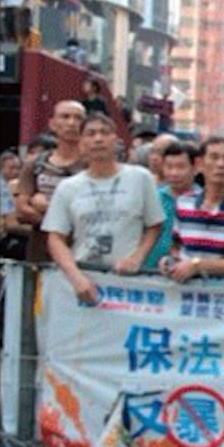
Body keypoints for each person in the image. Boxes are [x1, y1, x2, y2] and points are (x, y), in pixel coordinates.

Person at [42, 113, 164, 304]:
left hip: (127, 281)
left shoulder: (141, 178)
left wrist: (137, 258)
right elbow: (55, 237)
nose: (98, 139)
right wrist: (75, 276)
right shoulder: (68, 187)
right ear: (81, 142)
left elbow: (154, 225)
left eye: (104, 133)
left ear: (115, 139)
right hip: (84, 279)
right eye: (91, 134)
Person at [160, 136, 224, 282]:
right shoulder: (184, 203)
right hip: (183, 293)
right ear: (200, 164)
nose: (221, 164)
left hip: (223, 294)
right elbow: (177, 246)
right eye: (214, 157)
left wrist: (198, 265)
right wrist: (170, 261)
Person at [16, 100, 87, 262]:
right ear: (53, 124)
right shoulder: (35, 163)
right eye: (65, 117)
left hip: (82, 255)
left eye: (78, 118)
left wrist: (45, 207)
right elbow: (22, 211)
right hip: (40, 253)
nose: (71, 123)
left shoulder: (94, 165)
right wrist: (60, 220)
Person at [144, 141, 201, 271]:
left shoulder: (203, 201)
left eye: (181, 167)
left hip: (187, 273)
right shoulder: (153, 198)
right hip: (148, 271)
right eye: (169, 167)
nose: (174, 173)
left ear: (195, 167)